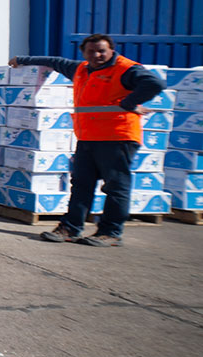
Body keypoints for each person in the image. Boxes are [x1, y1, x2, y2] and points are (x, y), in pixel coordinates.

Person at [10, 35, 164, 247]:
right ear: (83, 52)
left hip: (117, 136)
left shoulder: (125, 69)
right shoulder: (81, 69)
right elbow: (55, 61)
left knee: (115, 187)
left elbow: (155, 83)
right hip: (88, 137)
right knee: (81, 184)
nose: (97, 55)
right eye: (91, 51)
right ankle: (70, 228)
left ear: (111, 50)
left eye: (102, 51)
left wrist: (129, 102)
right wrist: (21, 59)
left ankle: (110, 232)